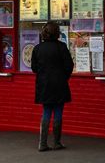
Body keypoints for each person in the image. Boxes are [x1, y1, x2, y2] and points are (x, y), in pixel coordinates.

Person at [31, 22, 74, 152]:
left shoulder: (37, 48)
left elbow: (34, 68)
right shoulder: (61, 47)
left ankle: (42, 143)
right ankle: (57, 142)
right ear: (57, 33)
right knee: (58, 112)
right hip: (59, 84)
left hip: (44, 84)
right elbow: (69, 66)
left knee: (46, 112)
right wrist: (63, 77)